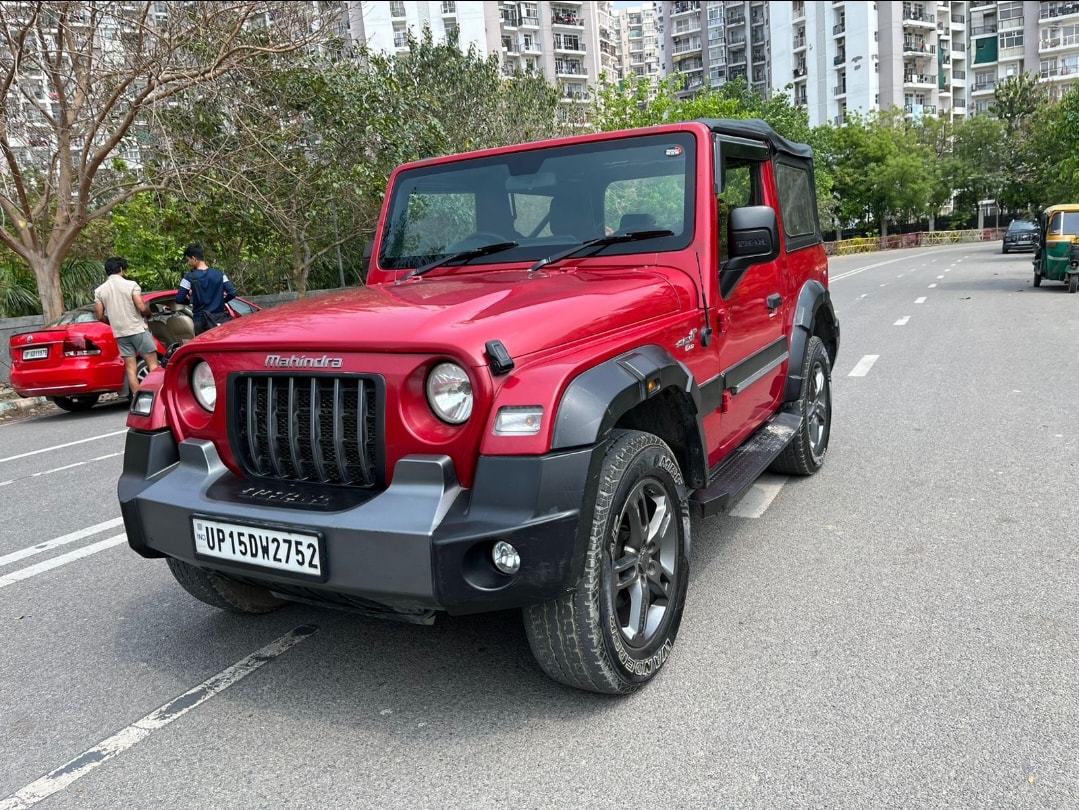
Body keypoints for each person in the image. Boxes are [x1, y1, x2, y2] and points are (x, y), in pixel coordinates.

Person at [93, 256, 159, 398]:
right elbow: (141, 306)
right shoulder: (131, 285)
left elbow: (99, 315)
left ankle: (138, 398)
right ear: (121, 269)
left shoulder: (100, 291)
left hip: (120, 333)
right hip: (137, 329)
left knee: (130, 368)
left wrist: (111, 322)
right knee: (153, 365)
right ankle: (158, 395)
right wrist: (148, 314)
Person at [176, 243, 237, 334]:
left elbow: (179, 299)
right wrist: (221, 301)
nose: (188, 263)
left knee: (203, 346)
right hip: (219, 318)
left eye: (188, 260)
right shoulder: (220, 274)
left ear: (194, 258)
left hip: (201, 320)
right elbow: (232, 293)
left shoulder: (188, 277)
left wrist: (190, 301)